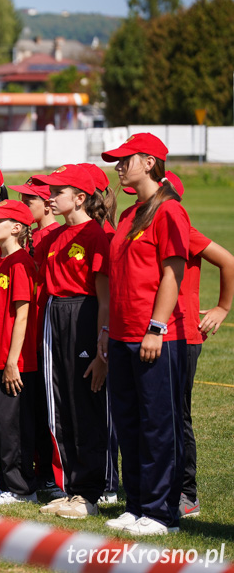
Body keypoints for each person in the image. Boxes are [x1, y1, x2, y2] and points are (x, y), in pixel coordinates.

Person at [102, 133, 190, 536]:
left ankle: (161, 513)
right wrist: (108, 331)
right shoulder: (127, 215)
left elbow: (172, 274)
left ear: (151, 162)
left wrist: (156, 326)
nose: (119, 166)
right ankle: (136, 504)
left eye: (126, 160)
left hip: (153, 336)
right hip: (121, 335)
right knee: (129, 423)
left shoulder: (169, 211)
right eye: (116, 161)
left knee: (157, 425)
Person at [29, 165, 111, 519]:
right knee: (58, 403)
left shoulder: (96, 235)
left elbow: (105, 298)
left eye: (57, 191)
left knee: (84, 404)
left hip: (84, 313)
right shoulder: (54, 237)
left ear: (79, 197)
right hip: (54, 314)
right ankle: (70, 489)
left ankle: (90, 491)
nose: (50, 196)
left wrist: (100, 347)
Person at [155, 171, 234, 519]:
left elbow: (228, 260)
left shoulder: (181, 229)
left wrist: (222, 308)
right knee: (156, 415)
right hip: (157, 333)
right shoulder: (147, 226)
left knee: (177, 416)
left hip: (183, 335)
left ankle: (187, 493)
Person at [0, 199, 39, 505]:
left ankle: (19, 488)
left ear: (16, 228)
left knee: (10, 426)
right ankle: (6, 484)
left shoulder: (21, 264)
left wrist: (12, 361)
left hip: (8, 360)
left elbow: (23, 315)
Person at [10, 177, 61, 495]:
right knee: (33, 406)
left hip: (49, 328)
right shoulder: (34, 235)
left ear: (45, 204)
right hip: (32, 330)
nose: (24, 204)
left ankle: (52, 474)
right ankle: (38, 468)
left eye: (30, 200)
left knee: (50, 408)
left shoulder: (55, 235)